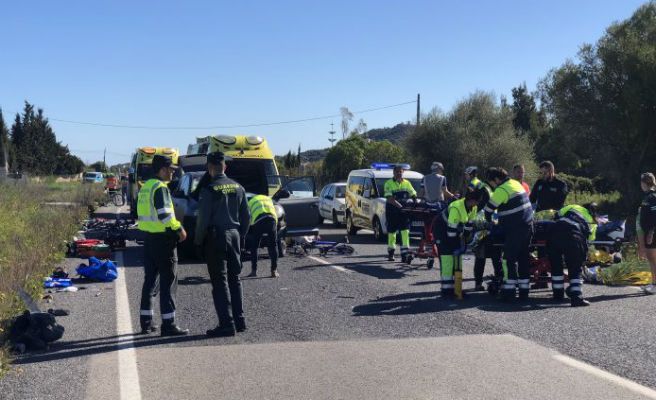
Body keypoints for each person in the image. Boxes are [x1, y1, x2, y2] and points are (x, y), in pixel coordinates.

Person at [195, 152, 251, 337]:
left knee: (220, 282)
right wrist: (241, 235)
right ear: (224, 167)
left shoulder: (209, 190)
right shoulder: (238, 187)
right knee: (235, 278)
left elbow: (202, 220)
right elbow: (246, 217)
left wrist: (197, 241)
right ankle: (239, 320)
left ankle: (226, 324)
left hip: (216, 237)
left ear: (209, 168)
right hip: (234, 236)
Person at [137, 155, 188, 336]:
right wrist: (179, 229)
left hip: (149, 239)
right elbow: (165, 215)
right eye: (171, 169)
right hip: (163, 240)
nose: (173, 173)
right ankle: (169, 324)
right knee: (168, 283)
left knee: (150, 281)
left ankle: (146, 322)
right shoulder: (160, 188)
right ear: (163, 170)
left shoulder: (146, 187)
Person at [484, 167, 534, 301]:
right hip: (528, 226)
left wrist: (490, 223)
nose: (492, 186)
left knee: (508, 259)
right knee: (523, 258)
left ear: (496, 179)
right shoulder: (515, 183)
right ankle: (524, 291)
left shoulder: (502, 189)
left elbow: (488, 210)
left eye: (492, 183)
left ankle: (509, 291)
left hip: (515, 228)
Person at [433, 190, 483, 298]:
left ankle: (457, 289)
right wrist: (456, 246)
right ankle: (446, 291)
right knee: (447, 258)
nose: (478, 204)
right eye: (477, 201)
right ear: (472, 200)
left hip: (453, 231)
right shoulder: (456, 207)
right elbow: (451, 232)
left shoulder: (473, 208)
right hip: (441, 230)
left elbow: (469, 225)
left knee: (457, 259)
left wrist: (465, 240)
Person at [547, 203, 598, 306]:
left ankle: (558, 295)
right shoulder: (592, 221)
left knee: (556, 266)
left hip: (554, 234)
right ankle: (576, 297)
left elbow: (557, 214)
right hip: (574, 236)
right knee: (575, 268)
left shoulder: (573, 206)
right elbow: (590, 239)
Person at [384, 165, 417, 262]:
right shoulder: (388, 183)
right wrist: (401, 207)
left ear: (403, 172)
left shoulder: (407, 183)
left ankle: (405, 254)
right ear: (393, 172)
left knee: (405, 232)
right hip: (392, 212)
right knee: (392, 233)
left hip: (404, 213)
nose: (399, 173)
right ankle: (391, 253)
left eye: (400, 171)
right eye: (397, 172)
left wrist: (415, 203)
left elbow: (413, 194)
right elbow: (390, 199)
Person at [247, 194, 279, 278]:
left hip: (259, 221)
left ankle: (254, 271)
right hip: (272, 220)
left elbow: (247, 216)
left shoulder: (251, 201)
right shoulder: (268, 199)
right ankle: (274, 271)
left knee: (255, 246)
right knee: (273, 245)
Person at [638, 173, 656, 294]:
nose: (641, 185)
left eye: (641, 182)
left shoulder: (652, 197)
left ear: (644, 183)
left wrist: (651, 232)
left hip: (652, 232)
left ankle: (654, 285)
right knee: (652, 259)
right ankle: (653, 283)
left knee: (652, 259)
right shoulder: (647, 197)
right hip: (649, 231)